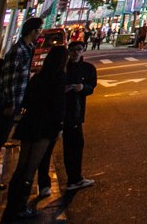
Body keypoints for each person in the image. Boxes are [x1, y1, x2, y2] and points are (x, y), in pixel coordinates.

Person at [0, 16, 43, 195]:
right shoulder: (18, 51)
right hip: (8, 104)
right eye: (38, 31)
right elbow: (9, 80)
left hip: (14, 103)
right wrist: (11, 103)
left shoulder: (26, 49)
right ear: (31, 31)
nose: (39, 34)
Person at [4, 44, 68, 218]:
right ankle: (20, 206)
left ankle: (12, 204)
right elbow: (58, 104)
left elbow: (26, 100)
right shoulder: (59, 77)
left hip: (30, 121)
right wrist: (59, 126)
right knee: (31, 167)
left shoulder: (38, 76)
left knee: (22, 165)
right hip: (45, 125)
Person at [37, 39, 98, 195]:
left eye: (79, 49)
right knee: (46, 149)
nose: (76, 53)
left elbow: (91, 87)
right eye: (72, 50)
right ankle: (43, 184)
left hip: (73, 114)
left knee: (74, 147)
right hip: (53, 114)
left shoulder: (87, 69)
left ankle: (74, 178)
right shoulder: (59, 70)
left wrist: (82, 87)